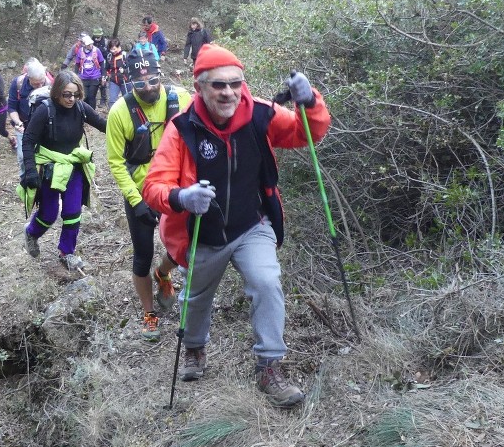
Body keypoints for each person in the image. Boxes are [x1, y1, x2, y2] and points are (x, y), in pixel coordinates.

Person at [142, 44, 331, 408]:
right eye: (218, 85)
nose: (228, 92)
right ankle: (195, 348)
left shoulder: (260, 114)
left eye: (235, 83)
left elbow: (306, 134)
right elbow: (153, 187)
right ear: (200, 88)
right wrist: (182, 197)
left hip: (250, 225)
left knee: (266, 281)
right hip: (202, 233)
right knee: (195, 300)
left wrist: (309, 102)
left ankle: (269, 367)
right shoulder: (183, 128)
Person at [106, 51, 193, 340]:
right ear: (129, 82)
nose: (148, 87)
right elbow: (116, 162)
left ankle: (164, 273)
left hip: (176, 188)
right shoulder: (120, 112)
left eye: (153, 80)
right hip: (142, 191)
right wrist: (135, 200)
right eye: (139, 84)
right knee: (142, 255)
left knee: (182, 247)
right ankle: (149, 314)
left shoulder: (180, 98)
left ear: (161, 75)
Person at [20, 71, 107, 271]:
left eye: (75, 95)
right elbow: (28, 140)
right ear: (57, 92)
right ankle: (32, 233)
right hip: (50, 167)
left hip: (73, 165)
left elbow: (105, 125)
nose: (71, 99)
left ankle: (66, 252)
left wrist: (128, 130)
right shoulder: (45, 111)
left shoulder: (81, 108)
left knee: (73, 211)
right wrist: (31, 171)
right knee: (49, 213)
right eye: (67, 94)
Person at [8, 58, 52, 179]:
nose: (39, 86)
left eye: (41, 82)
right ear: (28, 77)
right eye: (35, 84)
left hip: (45, 127)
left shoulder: (50, 84)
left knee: (44, 156)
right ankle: (25, 182)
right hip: (24, 127)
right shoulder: (18, 84)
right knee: (23, 157)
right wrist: (18, 122)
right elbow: (12, 108)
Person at [70, 33, 104, 106]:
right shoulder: (80, 51)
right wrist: (75, 75)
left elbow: (101, 63)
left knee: (91, 97)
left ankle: (92, 114)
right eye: (88, 45)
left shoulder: (97, 50)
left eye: (91, 44)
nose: (90, 46)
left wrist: (103, 75)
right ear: (84, 45)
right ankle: (85, 113)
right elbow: (77, 64)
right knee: (84, 97)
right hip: (83, 77)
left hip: (95, 77)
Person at [103, 37, 128, 107]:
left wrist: (124, 70)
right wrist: (106, 75)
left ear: (119, 47)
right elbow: (106, 68)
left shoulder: (125, 55)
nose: (113, 51)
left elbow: (131, 68)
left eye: (114, 49)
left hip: (125, 81)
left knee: (128, 100)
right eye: (111, 49)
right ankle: (112, 116)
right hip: (113, 81)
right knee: (112, 101)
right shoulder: (109, 56)